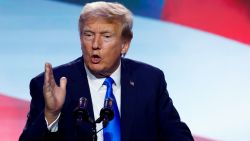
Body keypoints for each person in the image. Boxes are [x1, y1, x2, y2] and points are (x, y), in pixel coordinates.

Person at [19, 1, 194, 141]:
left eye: (106, 36)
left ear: (125, 43)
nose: (95, 44)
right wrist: (51, 114)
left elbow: (177, 135)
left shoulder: (149, 80)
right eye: (88, 35)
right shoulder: (53, 84)